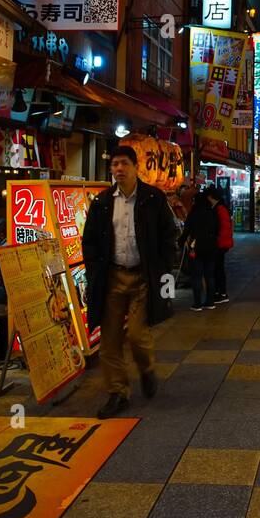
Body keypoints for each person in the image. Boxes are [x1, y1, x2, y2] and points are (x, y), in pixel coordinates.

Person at [82, 145, 180, 419]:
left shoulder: (153, 198)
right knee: (109, 341)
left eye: (124, 163)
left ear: (136, 167)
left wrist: (164, 270)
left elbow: (168, 236)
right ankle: (117, 392)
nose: (119, 169)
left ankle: (146, 368)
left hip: (142, 277)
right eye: (114, 164)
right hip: (112, 277)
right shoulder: (102, 202)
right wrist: (94, 272)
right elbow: (88, 241)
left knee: (138, 334)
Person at [178, 190, 219, 312]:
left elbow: (187, 230)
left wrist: (181, 242)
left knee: (196, 276)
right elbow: (217, 228)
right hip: (211, 247)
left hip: (196, 248)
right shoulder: (212, 212)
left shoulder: (193, 213)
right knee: (209, 276)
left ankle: (197, 303)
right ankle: (210, 302)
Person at [208, 186, 233, 303]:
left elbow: (222, 228)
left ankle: (221, 293)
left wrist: (216, 240)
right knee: (219, 268)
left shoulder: (219, 209)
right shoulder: (222, 207)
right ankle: (220, 292)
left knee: (218, 268)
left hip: (220, 243)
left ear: (210, 197)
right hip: (223, 243)